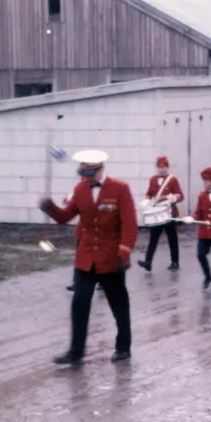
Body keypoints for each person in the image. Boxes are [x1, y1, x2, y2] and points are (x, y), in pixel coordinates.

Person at [38, 149, 137, 366]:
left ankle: (123, 347)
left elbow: (129, 224)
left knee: (118, 304)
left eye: (91, 173)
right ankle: (76, 351)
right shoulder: (80, 189)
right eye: (84, 173)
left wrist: (124, 252)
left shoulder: (120, 189)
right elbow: (66, 216)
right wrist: (52, 209)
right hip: (86, 257)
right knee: (79, 302)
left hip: (111, 258)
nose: (87, 177)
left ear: (101, 169)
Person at [137, 156, 183, 272]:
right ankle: (148, 262)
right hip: (156, 213)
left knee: (172, 238)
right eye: (159, 167)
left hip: (169, 213)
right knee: (153, 238)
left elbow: (180, 195)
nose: (161, 169)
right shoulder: (152, 179)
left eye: (163, 167)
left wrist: (172, 198)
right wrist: (146, 200)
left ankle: (175, 262)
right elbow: (149, 193)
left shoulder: (173, 179)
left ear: (167, 167)